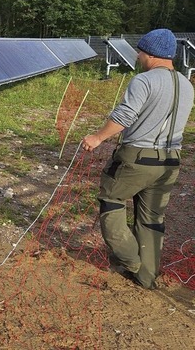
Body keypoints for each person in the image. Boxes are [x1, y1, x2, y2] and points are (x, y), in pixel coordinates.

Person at [82, 28, 194, 289]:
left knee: (111, 199)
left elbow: (124, 116)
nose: (138, 56)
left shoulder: (144, 81)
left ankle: (132, 263)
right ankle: (147, 276)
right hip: (170, 161)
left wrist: (98, 137)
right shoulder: (187, 84)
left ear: (151, 53)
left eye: (140, 51)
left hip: (137, 157)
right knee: (152, 218)